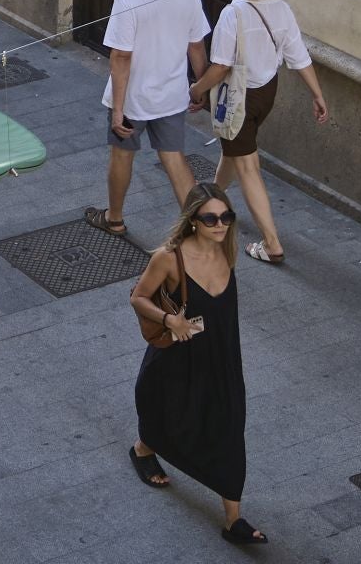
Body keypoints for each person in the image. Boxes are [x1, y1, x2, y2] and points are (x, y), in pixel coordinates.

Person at [127, 182, 265, 545]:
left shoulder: (227, 250)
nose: (221, 225)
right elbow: (139, 297)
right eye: (211, 218)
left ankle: (233, 519)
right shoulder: (169, 259)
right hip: (176, 358)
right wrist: (169, 319)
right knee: (169, 413)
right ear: (192, 221)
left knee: (229, 429)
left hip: (222, 360)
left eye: (227, 216)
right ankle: (143, 449)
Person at [190, 0, 330, 265]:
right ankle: (210, 197)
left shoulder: (233, 12)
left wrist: (197, 89)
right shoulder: (281, 8)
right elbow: (299, 57)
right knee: (235, 150)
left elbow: (221, 67)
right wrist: (318, 95)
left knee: (249, 166)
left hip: (237, 98)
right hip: (266, 94)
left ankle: (272, 243)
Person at [87, 0, 211, 237]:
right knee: (174, 158)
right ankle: (197, 225)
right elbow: (196, 46)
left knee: (122, 154)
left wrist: (117, 109)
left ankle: (114, 219)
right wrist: (201, 88)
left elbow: (121, 56)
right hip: (171, 94)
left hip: (133, 97)